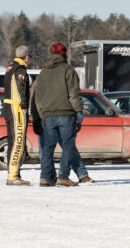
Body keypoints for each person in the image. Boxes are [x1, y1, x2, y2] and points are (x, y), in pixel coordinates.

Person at [32, 42, 90, 187]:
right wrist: (78, 111)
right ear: (63, 54)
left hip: (47, 116)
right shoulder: (68, 70)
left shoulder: (43, 73)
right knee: (68, 146)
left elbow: (37, 97)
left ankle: (45, 177)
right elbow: (74, 94)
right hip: (66, 115)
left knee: (47, 148)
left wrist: (39, 116)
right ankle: (63, 176)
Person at [3, 45, 32, 186]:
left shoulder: (10, 68)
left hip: (8, 107)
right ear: (26, 56)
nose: (30, 59)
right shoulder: (20, 69)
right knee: (18, 141)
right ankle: (13, 176)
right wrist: (25, 106)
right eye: (29, 56)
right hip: (16, 108)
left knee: (12, 141)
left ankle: (13, 173)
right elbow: (21, 88)